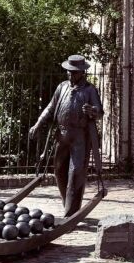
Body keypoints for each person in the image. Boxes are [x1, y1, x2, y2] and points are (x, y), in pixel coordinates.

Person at [29, 55, 104, 217]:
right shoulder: (61, 87)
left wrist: (92, 110)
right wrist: (38, 124)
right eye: (69, 72)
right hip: (61, 135)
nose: (71, 75)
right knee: (59, 171)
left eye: (74, 72)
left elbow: (99, 112)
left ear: (82, 73)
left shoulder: (89, 90)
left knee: (76, 173)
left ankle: (71, 213)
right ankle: (68, 206)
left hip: (80, 137)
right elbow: (50, 108)